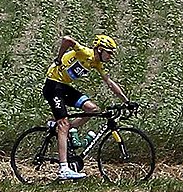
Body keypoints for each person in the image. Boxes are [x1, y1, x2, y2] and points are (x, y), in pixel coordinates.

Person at [43, 34, 134, 180]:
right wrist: (59, 58)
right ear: (99, 49)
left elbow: (110, 83)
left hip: (64, 87)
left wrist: (126, 101)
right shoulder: (85, 52)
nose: (110, 56)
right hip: (53, 86)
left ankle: (65, 131)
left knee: (92, 109)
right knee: (64, 124)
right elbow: (67, 39)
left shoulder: (96, 63)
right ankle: (64, 169)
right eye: (108, 52)